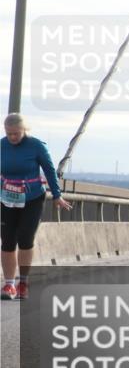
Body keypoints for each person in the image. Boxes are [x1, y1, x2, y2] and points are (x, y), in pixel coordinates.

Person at [1, 113, 73, 300]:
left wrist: (57, 195)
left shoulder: (36, 146)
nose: (12, 138)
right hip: (7, 199)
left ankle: (22, 282)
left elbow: (49, 170)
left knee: (25, 238)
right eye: (9, 134)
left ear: (25, 130)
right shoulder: (2, 146)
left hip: (32, 198)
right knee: (7, 241)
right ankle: (9, 285)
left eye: (16, 133)